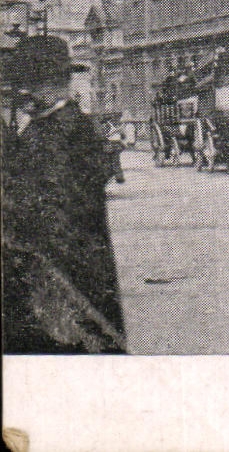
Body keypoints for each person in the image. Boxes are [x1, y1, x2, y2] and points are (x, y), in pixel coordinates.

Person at [1, 35, 127, 353]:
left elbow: (47, 209)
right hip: (67, 280)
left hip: (65, 287)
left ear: (57, 83)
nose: (21, 93)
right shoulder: (50, 127)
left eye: (30, 84)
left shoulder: (63, 131)